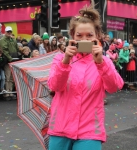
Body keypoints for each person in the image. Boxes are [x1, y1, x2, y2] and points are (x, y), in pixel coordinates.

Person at [47, 4, 124, 150]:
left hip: (90, 131)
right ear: (72, 36)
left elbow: (114, 87)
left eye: (89, 35)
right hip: (60, 128)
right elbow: (54, 86)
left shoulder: (104, 61)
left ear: (97, 36)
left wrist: (100, 63)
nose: (84, 40)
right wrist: (65, 62)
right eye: (79, 36)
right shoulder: (60, 59)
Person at [0, 26, 19, 100]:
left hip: (14, 59)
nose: (9, 33)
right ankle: (7, 93)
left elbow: (17, 48)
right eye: (8, 32)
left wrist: (19, 54)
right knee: (7, 77)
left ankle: (10, 92)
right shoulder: (2, 40)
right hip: (7, 61)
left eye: (10, 31)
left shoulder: (13, 40)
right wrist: (10, 59)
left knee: (11, 78)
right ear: (5, 32)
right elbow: (4, 51)